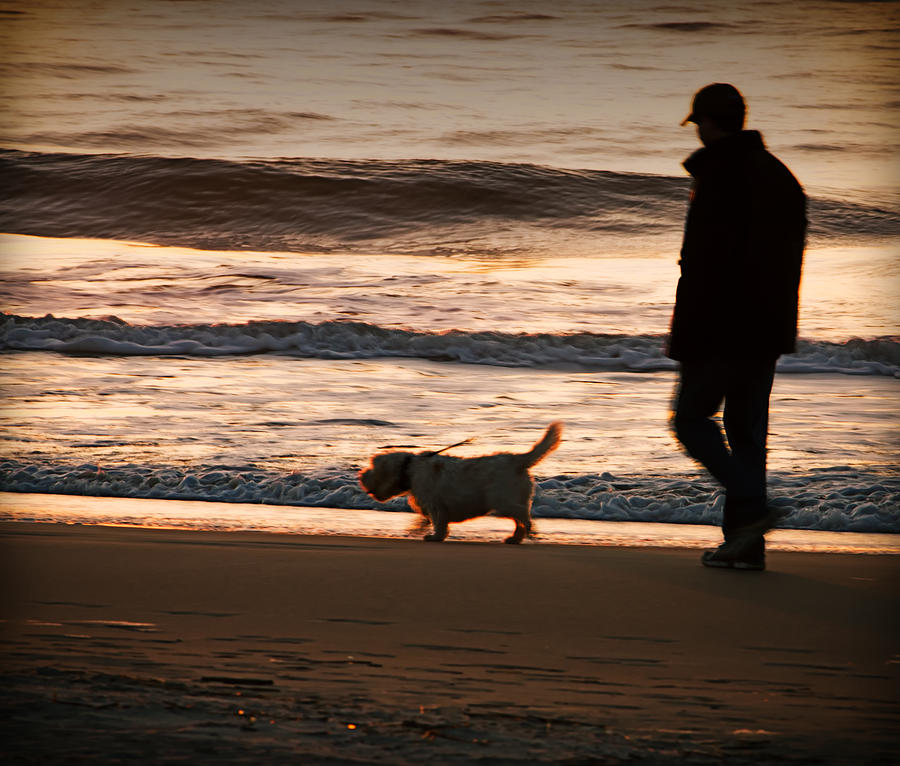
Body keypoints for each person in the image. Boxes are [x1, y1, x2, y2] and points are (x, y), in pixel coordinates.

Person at [668, 83, 806, 571]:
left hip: (720, 327)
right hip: (766, 327)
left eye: (699, 123)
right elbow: (787, 260)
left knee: (690, 420)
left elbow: (707, 264)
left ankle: (753, 507)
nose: (698, 132)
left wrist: (687, 335)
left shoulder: (720, 175)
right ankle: (745, 545)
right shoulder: (781, 176)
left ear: (708, 123)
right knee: (747, 435)